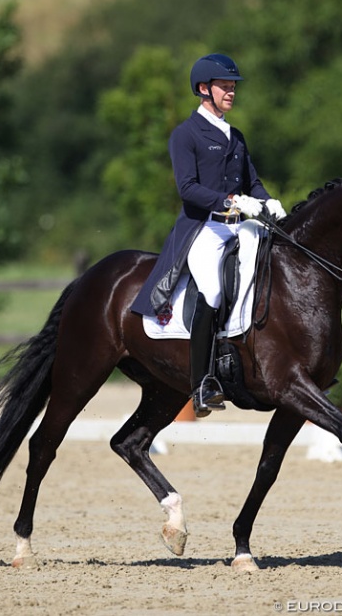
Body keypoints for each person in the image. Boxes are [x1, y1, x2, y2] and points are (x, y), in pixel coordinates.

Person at [131, 53, 286, 417]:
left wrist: (267, 202)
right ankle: (201, 384)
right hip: (204, 227)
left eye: (233, 87)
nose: (231, 92)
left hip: (240, 226)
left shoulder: (236, 135)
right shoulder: (186, 135)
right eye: (225, 87)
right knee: (213, 290)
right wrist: (233, 201)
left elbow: (254, 182)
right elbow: (188, 188)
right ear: (204, 89)